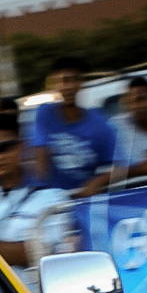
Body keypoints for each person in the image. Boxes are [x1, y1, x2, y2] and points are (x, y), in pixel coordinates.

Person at [0, 112, 70, 289]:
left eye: (4, 147)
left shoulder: (52, 198)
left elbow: (46, 255)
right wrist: (12, 250)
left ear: (21, 147)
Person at [31, 57, 118, 197]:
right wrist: (43, 192)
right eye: (63, 81)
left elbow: (119, 167)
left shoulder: (99, 123)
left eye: (73, 80)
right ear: (54, 85)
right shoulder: (45, 114)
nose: (68, 87)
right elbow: (42, 155)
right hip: (54, 201)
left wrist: (97, 182)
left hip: (87, 200)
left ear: (80, 84)